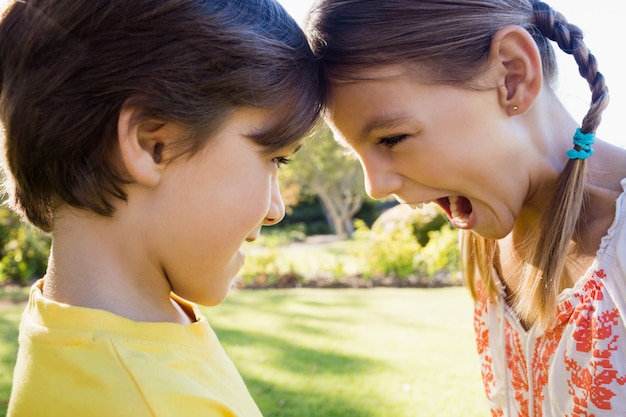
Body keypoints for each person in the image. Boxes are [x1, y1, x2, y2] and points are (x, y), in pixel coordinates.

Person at [0, 0, 323, 415]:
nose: (276, 209)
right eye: (274, 158)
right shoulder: (137, 399)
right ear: (153, 145)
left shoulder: (83, 334)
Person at [305, 0, 626, 415]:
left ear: (512, 75)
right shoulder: (485, 238)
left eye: (391, 138)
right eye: (357, 155)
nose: (375, 187)